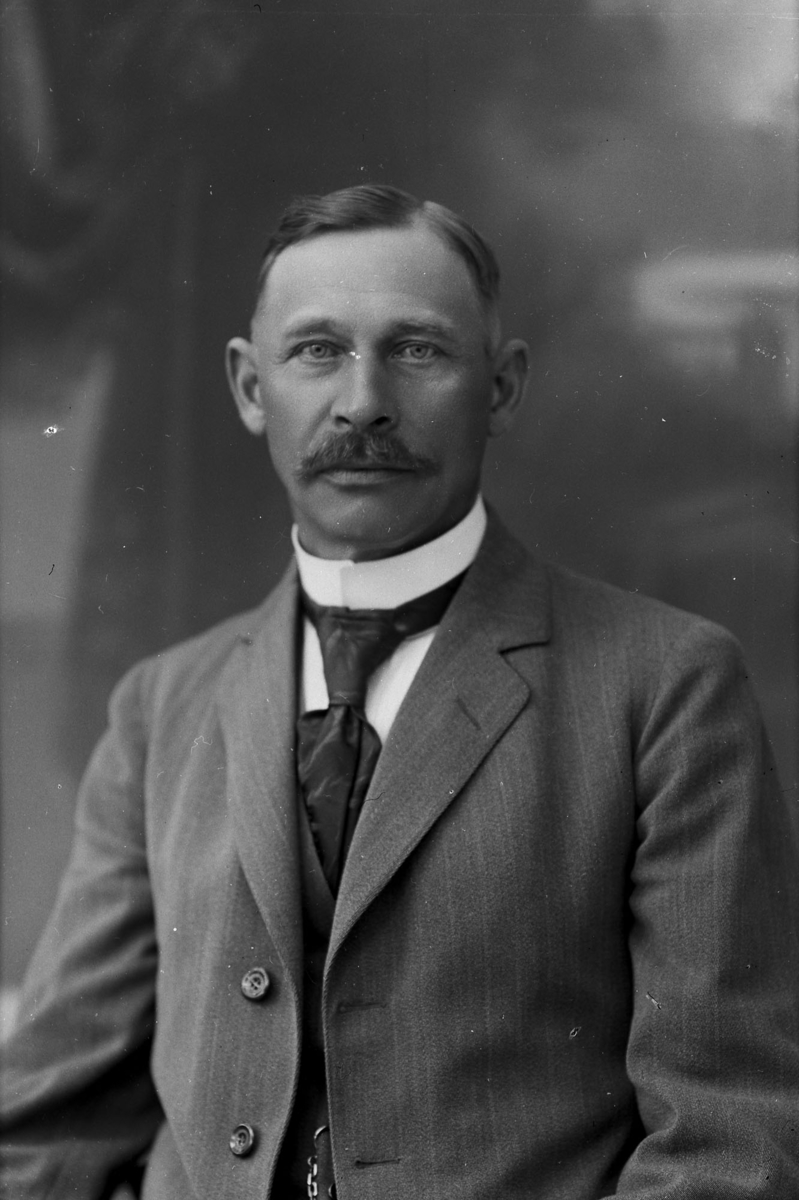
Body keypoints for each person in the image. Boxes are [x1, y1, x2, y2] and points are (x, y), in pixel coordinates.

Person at [1, 184, 798, 1200]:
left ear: (500, 387)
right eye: (316, 350)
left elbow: (728, 1139)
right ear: (250, 387)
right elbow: (48, 1130)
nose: (363, 402)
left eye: (416, 350)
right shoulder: (161, 706)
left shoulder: (664, 687)